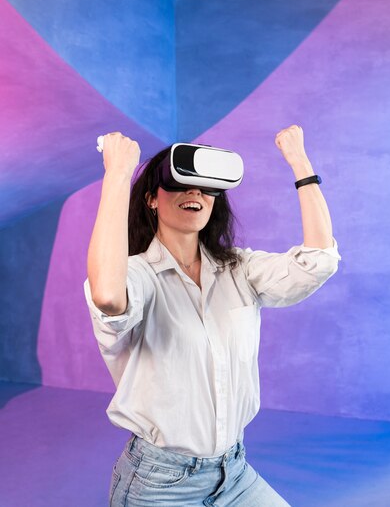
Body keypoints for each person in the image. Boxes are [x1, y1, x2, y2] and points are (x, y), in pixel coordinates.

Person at [84, 126, 341, 506]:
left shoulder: (239, 268)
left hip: (233, 471)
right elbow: (107, 296)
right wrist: (119, 175)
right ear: (152, 199)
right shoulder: (137, 276)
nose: (195, 194)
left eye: (206, 188)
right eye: (181, 184)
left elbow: (318, 262)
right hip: (160, 483)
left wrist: (300, 163)